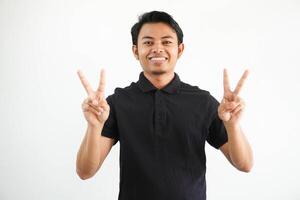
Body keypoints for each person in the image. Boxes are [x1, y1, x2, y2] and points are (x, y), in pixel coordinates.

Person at [76, 11, 253, 200]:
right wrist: (94, 126)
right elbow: (85, 172)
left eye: (167, 42)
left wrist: (233, 126)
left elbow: (245, 165)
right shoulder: (118, 102)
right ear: (136, 51)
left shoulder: (202, 101)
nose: (157, 49)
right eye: (148, 42)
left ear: (180, 49)